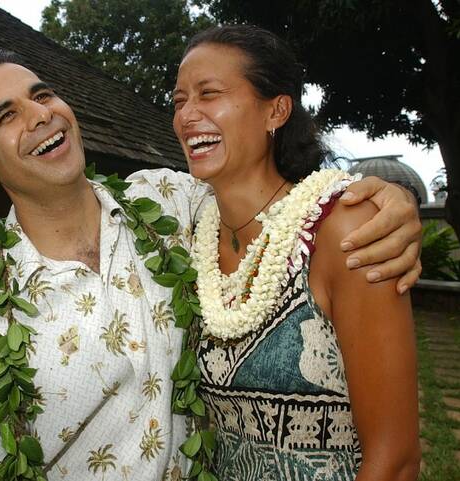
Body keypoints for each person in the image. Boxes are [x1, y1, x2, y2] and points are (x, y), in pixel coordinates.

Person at [0, 48, 421, 481]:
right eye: (6, 116)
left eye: (42, 95)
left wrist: (388, 198)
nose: (40, 115)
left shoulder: (172, 203)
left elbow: (271, 193)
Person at [172, 26, 420, 480]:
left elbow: (396, 460)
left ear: (277, 110)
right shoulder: (184, 233)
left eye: (209, 94)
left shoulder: (342, 227)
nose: (188, 114)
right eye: (179, 100)